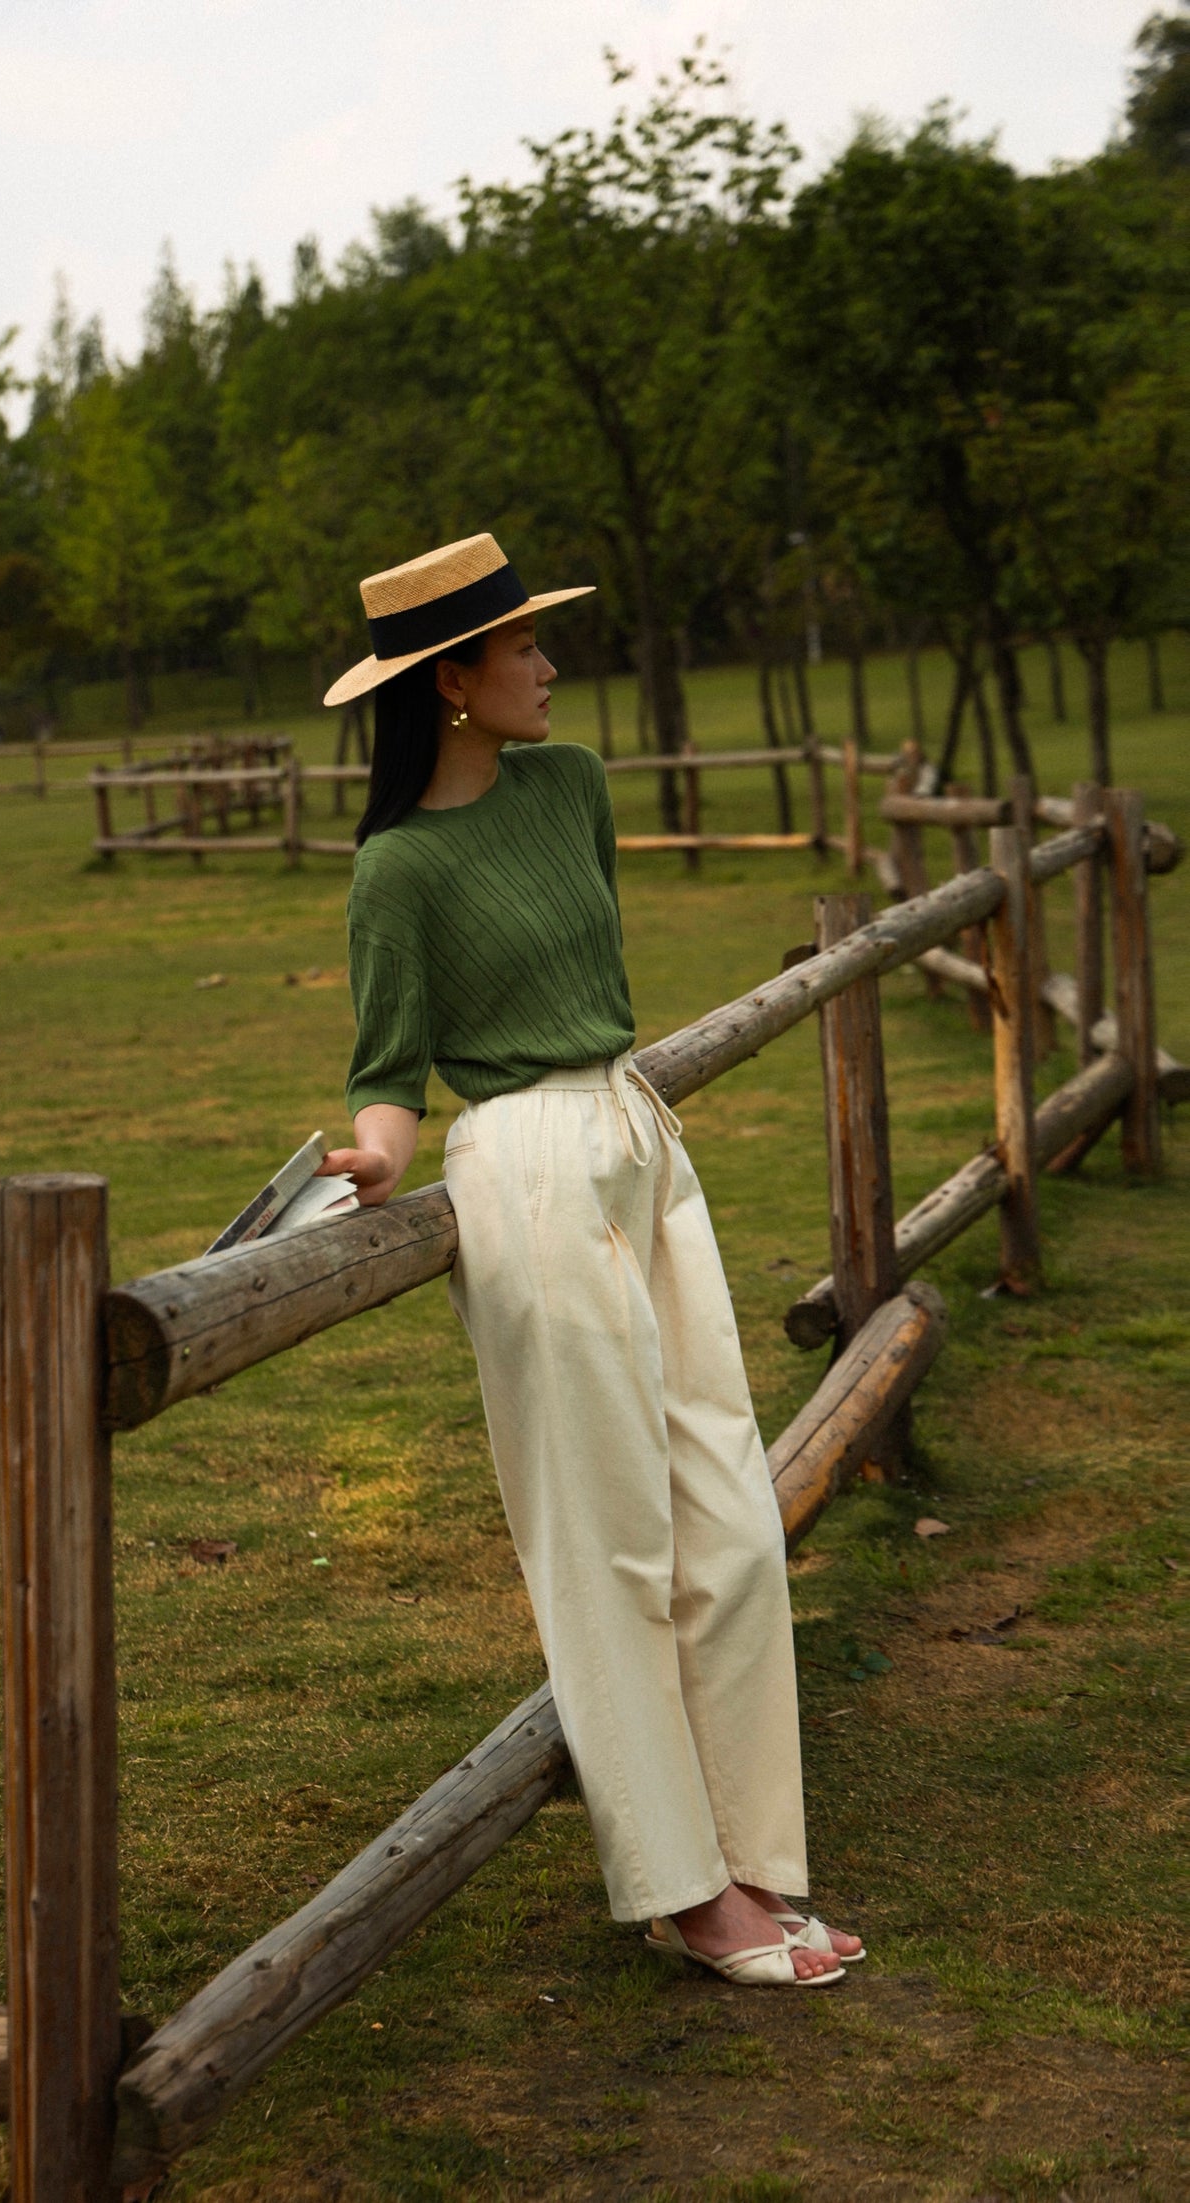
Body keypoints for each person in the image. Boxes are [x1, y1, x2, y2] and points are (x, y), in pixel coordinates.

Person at [320, 534, 862, 1987]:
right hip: (523, 1168)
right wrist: (377, 1157)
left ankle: (757, 1855)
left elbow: (587, 975)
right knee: (607, 1537)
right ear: (450, 680)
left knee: (729, 1520)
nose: (549, 667)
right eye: (522, 648)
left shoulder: (572, 788)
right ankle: (684, 1890)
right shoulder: (396, 869)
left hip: (635, 1131)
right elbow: (392, 1067)